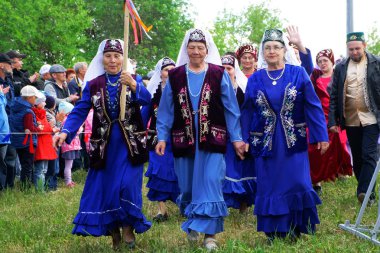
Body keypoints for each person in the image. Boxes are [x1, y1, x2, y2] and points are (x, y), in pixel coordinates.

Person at [53, 39, 151, 249]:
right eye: (108, 56)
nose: (113, 60)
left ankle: (128, 229)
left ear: (123, 58)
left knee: (127, 186)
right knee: (108, 189)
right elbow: (80, 110)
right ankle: (114, 231)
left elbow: (148, 101)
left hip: (130, 145)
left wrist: (134, 86)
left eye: (117, 56)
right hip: (105, 146)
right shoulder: (94, 84)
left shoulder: (134, 79)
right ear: (102, 59)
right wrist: (65, 131)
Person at [155, 28, 246, 250]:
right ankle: (193, 225)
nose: (196, 52)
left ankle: (210, 236)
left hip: (212, 138)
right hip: (183, 138)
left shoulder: (218, 73)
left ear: (207, 50)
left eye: (200, 48)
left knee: (211, 183)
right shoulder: (175, 75)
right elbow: (166, 109)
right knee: (187, 187)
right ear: (186, 50)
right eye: (192, 48)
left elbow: (231, 109)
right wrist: (162, 137)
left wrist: (236, 139)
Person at [241, 29, 329, 242]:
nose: (272, 51)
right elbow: (247, 110)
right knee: (269, 185)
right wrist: (243, 138)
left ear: (284, 50)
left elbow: (313, 106)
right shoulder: (256, 78)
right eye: (268, 48)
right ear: (263, 52)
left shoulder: (297, 73)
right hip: (265, 142)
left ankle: (295, 229)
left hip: (293, 140)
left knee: (296, 182)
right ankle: (273, 231)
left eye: (276, 47)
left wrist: (321, 135)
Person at [328, 32, 380, 204]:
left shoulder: (376, 63)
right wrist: (333, 121)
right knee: (357, 158)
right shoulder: (341, 67)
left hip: (371, 117)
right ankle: (368, 194)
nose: (354, 52)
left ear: (364, 46)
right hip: (350, 119)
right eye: (351, 49)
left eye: (357, 48)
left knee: (369, 155)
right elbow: (334, 94)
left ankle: (363, 191)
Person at [308, 49, 352, 194]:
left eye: (325, 60)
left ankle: (340, 172)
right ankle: (317, 181)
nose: (322, 63)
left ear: (332, 62)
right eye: (319, 61)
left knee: (340, 144)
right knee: (317, 149)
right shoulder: (315, 78)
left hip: (337, 116)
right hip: (321, 118)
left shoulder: (339, 76)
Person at [141, 57, 180, 222]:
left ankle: (183, 204)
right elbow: (143, 117)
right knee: (158, 173)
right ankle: (162, 211)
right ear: (160, 73)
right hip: (158, 142)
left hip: (179, 141)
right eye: (166, 69)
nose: (170, 71)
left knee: (180, 173)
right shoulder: (153, 94)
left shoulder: (182, 91)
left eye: (173, 68)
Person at [220, 54, 256, 213]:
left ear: (235, 70)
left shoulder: (244, 88)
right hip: (222, 136)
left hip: (241, 134)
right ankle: (225, 204)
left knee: (243, 169)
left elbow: (250, 112)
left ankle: (244, 206)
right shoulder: (215, 89)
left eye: (229, 68)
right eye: (223, 68)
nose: (226, 71)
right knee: (227, 171)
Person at [9, 85, 44, 189]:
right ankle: (26, 188)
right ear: (29, 98)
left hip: (17, 141)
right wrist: (39, 128)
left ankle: (25, 186)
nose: (36, 99)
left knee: (24, 165)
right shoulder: (28, 111)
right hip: (27, 142)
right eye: (35, 97)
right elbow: (29, 128)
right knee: (27, 166)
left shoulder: (14, 107)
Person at [32, 93, 57, 191]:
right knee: (40, 170)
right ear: (37, 103)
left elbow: (45, 127)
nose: (45, 103)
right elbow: (40, 129)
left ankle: (42, 189)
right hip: (40, 145)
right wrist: (50, 127)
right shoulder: (34, 113)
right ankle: (40, 191)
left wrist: (51, 128)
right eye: (43, 101)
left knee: (44, 169)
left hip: (46, 144)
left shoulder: (42, 113)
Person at [0, 53, 17, 189]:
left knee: (11, 156)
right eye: (9, 63)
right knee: (2, 157)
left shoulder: (8, 81)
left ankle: (9, 187)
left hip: (10, 124)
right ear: (1, 65)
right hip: (1, 127)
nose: (12, 66)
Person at [59, 101, 81, 188]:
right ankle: (68, 182)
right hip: (69, 146)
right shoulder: (67, 121)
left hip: (71, 145)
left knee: (70, 165)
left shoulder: (66, 120)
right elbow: (76, 130)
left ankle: (69, 180)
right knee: (68, 165)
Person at [44, 95, 63, 191]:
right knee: (52, 166)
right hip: (51, 142)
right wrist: (59, 121)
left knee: (56, 166)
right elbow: (54, 129)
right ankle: (49, 186)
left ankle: (54, 185)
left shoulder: (52, 112)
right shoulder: (47, 114)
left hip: (56, 141)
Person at [0, 83, 10, 190]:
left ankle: (2, 188)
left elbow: (4, 104)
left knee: (2, 162)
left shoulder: (1, 98)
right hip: (2, 134)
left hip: (5, 135)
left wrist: (2, 94)